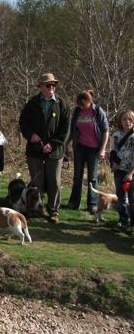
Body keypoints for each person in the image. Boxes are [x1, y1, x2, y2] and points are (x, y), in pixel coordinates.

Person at [19, 73, 70, 223]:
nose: (52, 87)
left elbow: (65, 129)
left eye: (54, 85)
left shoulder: (62, 104)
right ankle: (36, 209)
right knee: (37, 182)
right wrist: (31, 136)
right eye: (49, 85)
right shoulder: (32, 103)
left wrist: (53, 144)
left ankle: (53, 211)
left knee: (54, 181)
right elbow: (23, 122)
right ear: (41, 86)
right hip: (35, 150)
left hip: (55, 151)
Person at [66, 90, 109, 212]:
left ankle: (93, 203)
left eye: (83, 105)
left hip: (94, 148)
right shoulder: (77, 111)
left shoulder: (98, 111)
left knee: (93, 177)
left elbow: (105, 130)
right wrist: (66, 144)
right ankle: (74, 202)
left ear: (90, 102)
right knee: (77, 176)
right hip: (79, 147)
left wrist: (103, 149)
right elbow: (72, 129)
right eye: (79, 105)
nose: (81, 107)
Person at [110, 110, 134, 234]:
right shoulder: (116, 135)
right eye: (124, 119)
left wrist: (130, 173)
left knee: (132, 198)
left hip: (131, 171)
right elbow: (113, 151)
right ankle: (123, 221)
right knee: (121, 197)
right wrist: (112, 163)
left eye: (130, 119)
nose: (127, 122)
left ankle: (133, 225)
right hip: (119, 170)